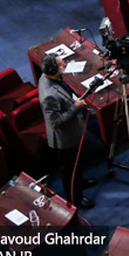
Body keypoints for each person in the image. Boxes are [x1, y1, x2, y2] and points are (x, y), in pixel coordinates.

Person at [39, 53, 96, 209]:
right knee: (69, 170)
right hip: (64, 139)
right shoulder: (49, 95)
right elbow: (56, 122)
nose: (64, 63)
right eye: (61, 63)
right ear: (53, 70)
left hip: (72, 132)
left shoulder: (48, 76)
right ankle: (75, 198)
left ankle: (81, 182)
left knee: (76, 162)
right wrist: (75, 107)